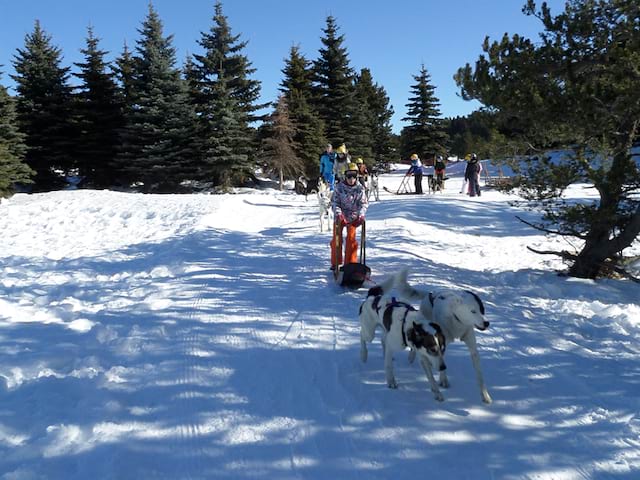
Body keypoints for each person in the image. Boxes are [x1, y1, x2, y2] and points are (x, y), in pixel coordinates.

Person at [330, 162, 368, 270]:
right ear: (344, 175)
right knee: (337, 239)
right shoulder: (339, 188)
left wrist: (361, 215)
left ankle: (350, 263)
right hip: (340, 216)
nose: (351, 179)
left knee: (351, 239)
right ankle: (336, 261)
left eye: (354, 176)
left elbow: (363, 203)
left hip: (353, 216)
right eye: (349, 176)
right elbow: (334, 202)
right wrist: (338, 214)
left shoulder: (360, 189)